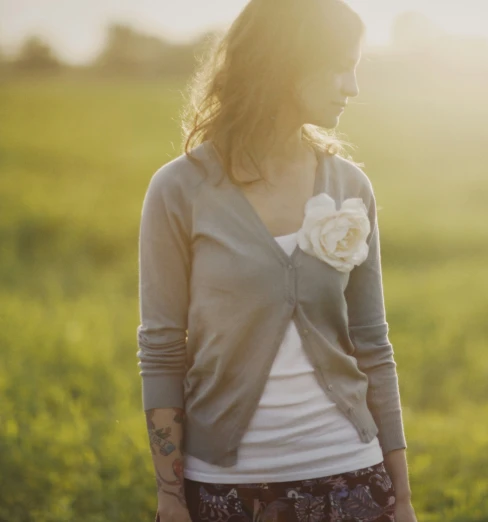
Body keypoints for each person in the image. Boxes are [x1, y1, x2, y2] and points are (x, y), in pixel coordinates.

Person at [136, 0, 417, 520]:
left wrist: (401, 497)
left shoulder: (349, 187)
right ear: (286, 62)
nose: (352, 87)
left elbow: (373, 344)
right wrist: (170, 497)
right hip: (226, 489)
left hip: (353, 476)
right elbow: (161, 350)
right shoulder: (178, 189)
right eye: (340, 66)